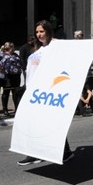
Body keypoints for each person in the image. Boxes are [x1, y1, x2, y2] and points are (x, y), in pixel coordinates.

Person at [17, 20, 75, 166]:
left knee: (51, 123)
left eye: (42, 31)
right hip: (32, 92)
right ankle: (35, 153)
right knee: (34, 124)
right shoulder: (36, 50)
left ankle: (65, 152)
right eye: (37, 32)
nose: (39, 34)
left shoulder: (55, 48)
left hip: (48, 92)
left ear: (49, 32)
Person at [0, 42, 23, 116]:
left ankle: (17, 109)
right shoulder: (1, 55)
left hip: (16, 76)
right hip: (7, 76)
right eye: (13, 47)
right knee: (6, 92)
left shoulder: (15, 55)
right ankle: (5, 109)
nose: (14, 48)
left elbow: (20, 63)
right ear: (9, 48)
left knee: (16, 93)